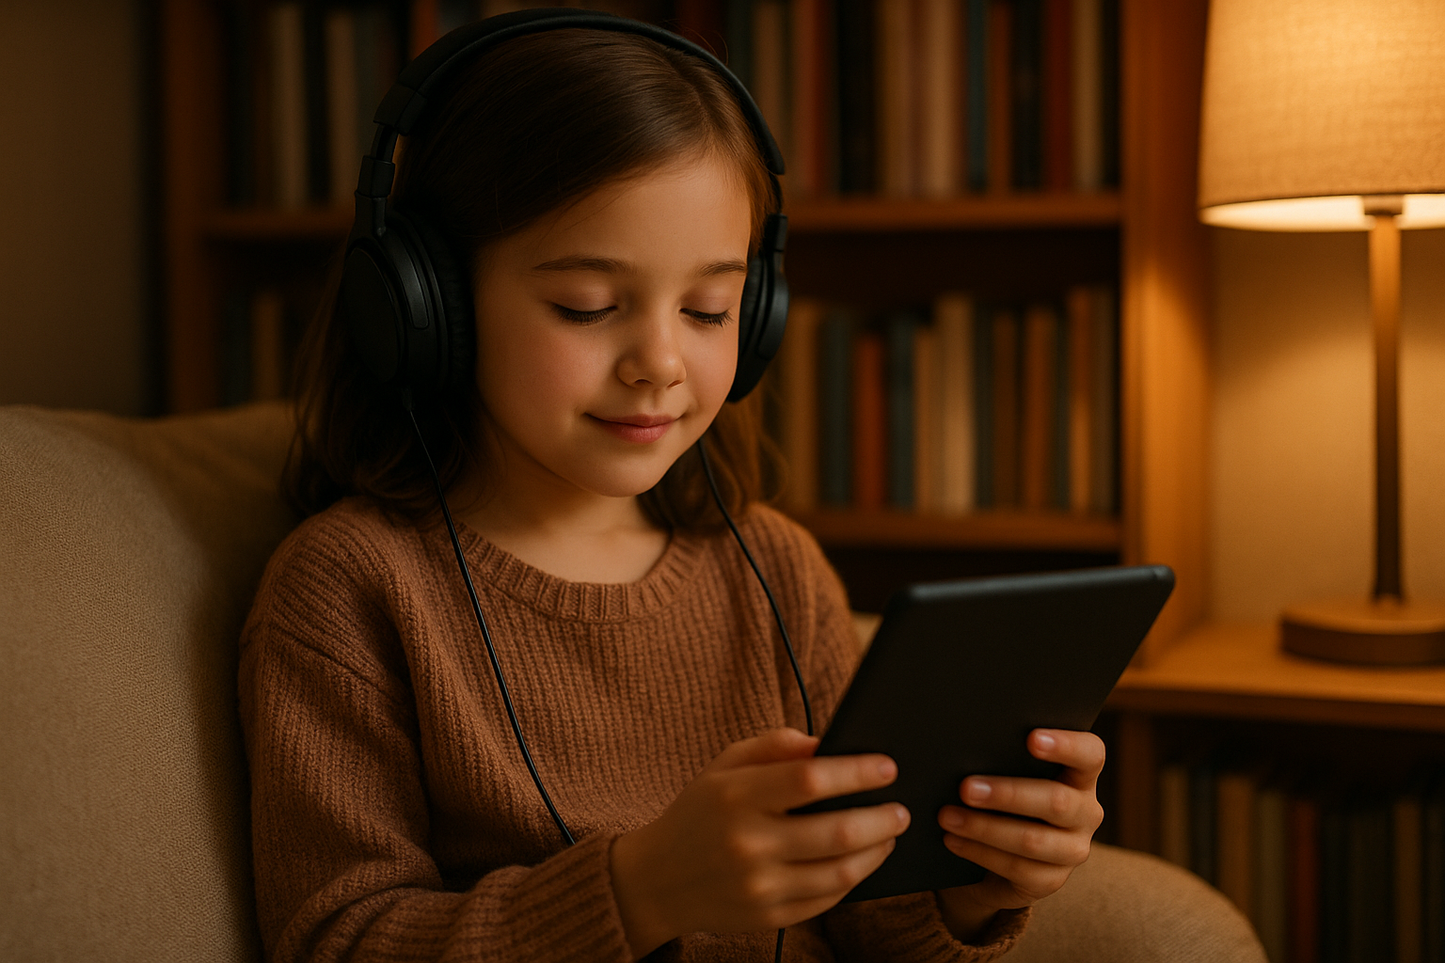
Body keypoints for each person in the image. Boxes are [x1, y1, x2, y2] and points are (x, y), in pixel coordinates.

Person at [238, 12, 1106, 963]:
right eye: (588, 306)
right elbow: (338, 941)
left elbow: (870, 922)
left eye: (708, 308)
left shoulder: (774, 565)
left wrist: (975, 888)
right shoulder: (349, 591)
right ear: (425, 302)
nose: (659, 361)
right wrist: (642, 888)